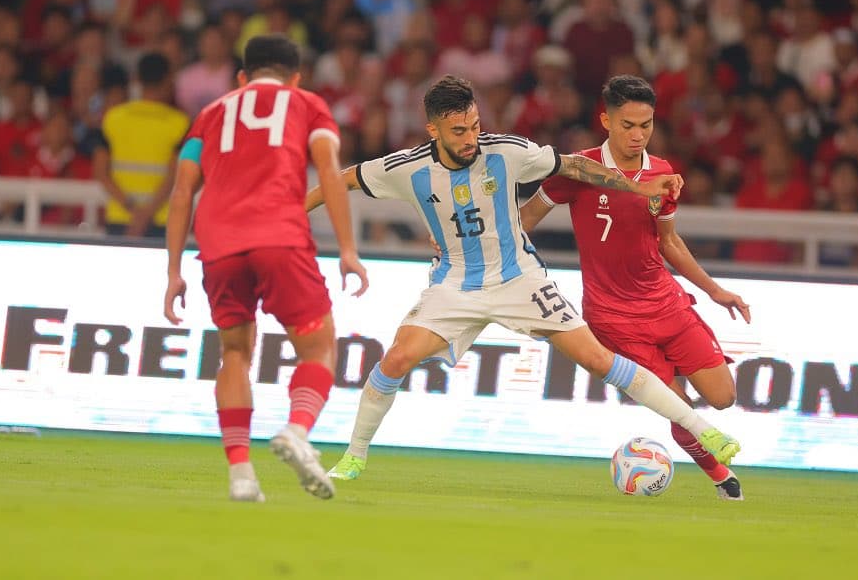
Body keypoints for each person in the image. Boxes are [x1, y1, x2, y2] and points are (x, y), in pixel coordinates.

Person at [305, 76, 741, 482]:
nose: (471, 138)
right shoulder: (407, 168)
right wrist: (291, 212)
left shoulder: (506, 150)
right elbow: (340, 180)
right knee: (397, 359)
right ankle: (355, 455)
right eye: (459, 131)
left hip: (521, 281)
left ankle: (703, 430)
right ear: (433, 130)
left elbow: (572, 166)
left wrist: (634, 185)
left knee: (597, 360)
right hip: (454, 285)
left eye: (475, 126)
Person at [520, 75, 750, 501]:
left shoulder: (662, 174)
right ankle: (722, 478)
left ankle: (674, 376)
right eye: (628, 124)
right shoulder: (578, 169)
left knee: (723, 397)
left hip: (667, 305)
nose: (638, 134)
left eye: (646, 125)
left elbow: (669, 242)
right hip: (614, 319)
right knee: (680, 409)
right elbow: (525, 220)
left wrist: (716, 290)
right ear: (605, 119)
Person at [163, 34, 369, 503]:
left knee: (233, 352)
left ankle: (240, 475)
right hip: (279, 236)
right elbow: (330, 173)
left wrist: (173, 270)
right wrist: (348, 249)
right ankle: (297, 431)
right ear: (295, 78)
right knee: (318, 349)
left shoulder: (210, 115)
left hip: (218, 243)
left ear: (242, 77)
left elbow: (181, 191)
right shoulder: (307, 105)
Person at [93, 52, 188, 237]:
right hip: (161, 219)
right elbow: (176, 175)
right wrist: (146, 214)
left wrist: (132, 210)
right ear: (168, 79)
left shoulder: (112, 117)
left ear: (137, 79)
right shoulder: (180, 123)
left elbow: (100, 172)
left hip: (120, 217)